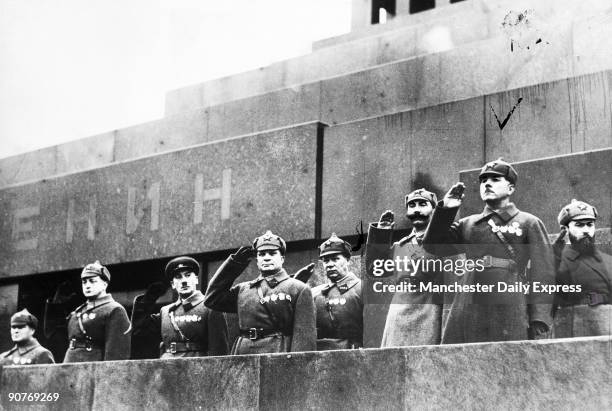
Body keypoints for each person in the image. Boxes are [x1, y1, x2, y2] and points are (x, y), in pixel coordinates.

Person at [423, 158, 555, 343]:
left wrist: (538, 317)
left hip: (509, 301)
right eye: (483, 180)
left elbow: (543, 273)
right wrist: (446, 210)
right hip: (468, 301)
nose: (487, 184)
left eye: (495, 179)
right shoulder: (468, 224)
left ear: (510, 188)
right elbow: (433, 245)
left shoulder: (528, 222)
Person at [204, 230, 316, 354]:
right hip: (244, 353)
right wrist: (235, 264)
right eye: (262, 254)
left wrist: (298, 365)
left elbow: (304, 336)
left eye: (272, 253)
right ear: (257, 259)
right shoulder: (243, 290)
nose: (266, 258)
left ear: (282, 258)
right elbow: (212, 299)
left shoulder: (297, 288)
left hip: (278, 352)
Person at [366, 188, 443, 347]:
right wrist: (381, 234)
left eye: (423, 204)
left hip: (429, 312)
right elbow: (374, 269)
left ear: (434, 209)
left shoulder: (446, 241)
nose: (416, 210)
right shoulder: (399, 246)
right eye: (412, 205)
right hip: (399, 315)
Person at [131, 256, 229, 358]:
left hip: (196, 368)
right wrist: (147, 300)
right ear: (173, 284)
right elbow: (140, 330)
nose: (184, 281)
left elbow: (219, 349)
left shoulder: (210, 306)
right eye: (178, 277)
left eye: (188, 275)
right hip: (167, 367)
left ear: (196, 280)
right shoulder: (165, 311)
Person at [552, 199, 612, 337]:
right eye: (579, 225)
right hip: (578, 328)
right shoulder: (560, 260)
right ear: (566, 230)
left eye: (590, 225)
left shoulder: (608, 260)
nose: (586, 230)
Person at [63, 261, 131, 362]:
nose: (87, 285)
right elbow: (54, 335)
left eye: (92, 281)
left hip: (93, 370)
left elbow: (116, 355)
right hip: (69, 367)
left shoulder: (114, 310)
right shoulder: (78, 312)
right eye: (84, 282)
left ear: (104, 284)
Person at [309, 233, 363, 350]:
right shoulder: (314, 293)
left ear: (348, 260)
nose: (330, 264)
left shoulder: (361, 289)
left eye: (335, 259)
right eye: (326, 261)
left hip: (354, 354)